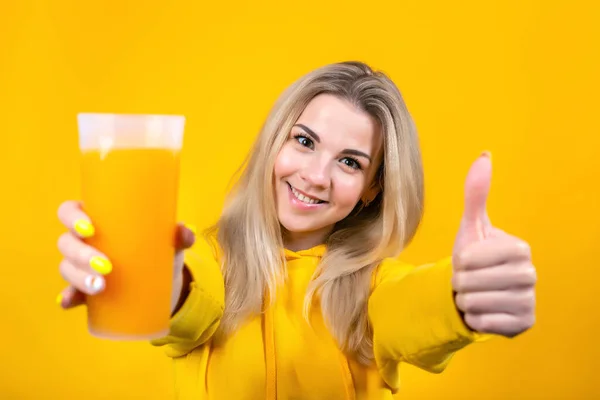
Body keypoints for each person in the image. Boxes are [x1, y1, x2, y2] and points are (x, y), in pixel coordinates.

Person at [56, 61, 537, 400]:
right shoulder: (208, 260)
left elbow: (415, 304)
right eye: (304, 141)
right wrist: (161, 284)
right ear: (275, 143)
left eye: (349, 162)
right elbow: (190, 298)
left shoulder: (374, 288)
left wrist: (461, 294)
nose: (314, 175)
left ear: (371, 189)